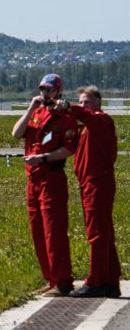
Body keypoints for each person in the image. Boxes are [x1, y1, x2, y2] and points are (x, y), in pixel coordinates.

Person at [12, 73, 79, 296]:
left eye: (49, 90)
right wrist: (31, 108)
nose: (45, 93)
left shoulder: (65, 117)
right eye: (42, 89)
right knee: (38, 231)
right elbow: (16, 133)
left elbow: (69, 149)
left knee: (54, 231)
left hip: (52, 178)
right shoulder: (36, 113)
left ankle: (62, 281)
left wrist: (42, 158)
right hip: (33, 180)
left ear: (58, 91)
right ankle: (50, 279)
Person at [57, 86, 121, 297]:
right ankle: (111, 280)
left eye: (88, 102)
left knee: (96, 233)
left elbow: (85, 116)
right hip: (90, 182)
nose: (84, 106)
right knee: (104, 232)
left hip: (97, 182)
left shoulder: (101, 120)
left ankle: (95, 281)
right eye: (81, 102)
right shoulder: (88, 127)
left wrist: (70, 107)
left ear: (98, 104)